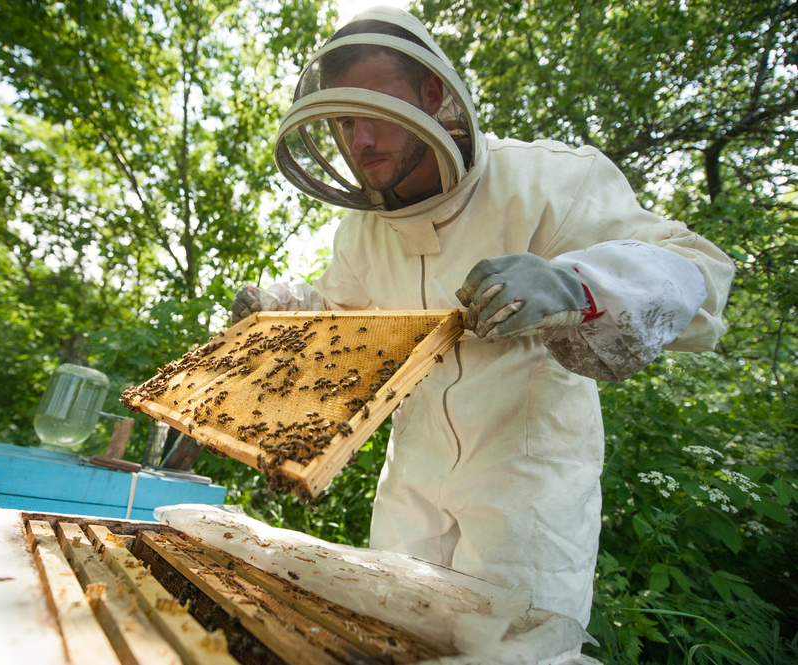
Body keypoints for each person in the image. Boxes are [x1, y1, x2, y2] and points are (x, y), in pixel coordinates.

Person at [231, 6, 734, 626]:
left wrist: (578, 284)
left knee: (510, 648)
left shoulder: (550, 180)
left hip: (528, 491)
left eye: (375, 112)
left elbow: (700, 275)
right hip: (409, 484)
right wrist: (277, 313)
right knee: (383, 638)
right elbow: (342, 317)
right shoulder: (361, 231)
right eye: (342, 122)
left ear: (432, 94)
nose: (359, 140)